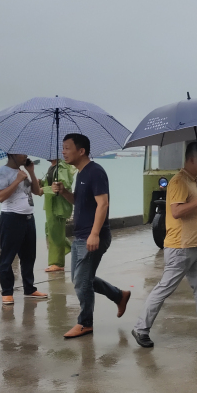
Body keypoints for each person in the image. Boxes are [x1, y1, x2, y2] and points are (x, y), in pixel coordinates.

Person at [131, 142, 197, 348]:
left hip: (196, 246)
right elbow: (176, 211)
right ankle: (141, 328)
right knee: (165, 287)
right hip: (181, 247)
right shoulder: (178, 182)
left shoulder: (193, 180)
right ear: (192, 159)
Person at [53, 133, 131, 339]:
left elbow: (102, 204)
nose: (63, 152)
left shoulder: (95, 172)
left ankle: (85, 323)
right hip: (80, 236)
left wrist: (95, 233)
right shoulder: (81, 174)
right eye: (63, 148)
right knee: (80, 279)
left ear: (81, 151)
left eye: (67, 148)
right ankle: (119, 295)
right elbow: (79, 202)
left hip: (93, 235)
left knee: (81, 281)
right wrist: (64, 192)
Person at [0, 153, 47, 305]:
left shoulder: (23, 172)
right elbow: (0, 197)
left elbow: (36, 191)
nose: (26, 155)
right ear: (12, 154)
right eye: (22, 153)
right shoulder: (1, 172)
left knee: (29, 256)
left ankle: (29, 288)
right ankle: (7, 292)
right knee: (8, 257)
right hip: (11, 218)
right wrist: (17, 180)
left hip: (28, 218)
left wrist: (31, 172)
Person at [40, 159, 74, 272]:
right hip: (50, 204)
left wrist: (44, 189)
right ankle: (73, 248)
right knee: (51, 231)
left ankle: (57, 263)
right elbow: (51, 184)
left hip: (58, 205)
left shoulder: (62, 167)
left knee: (56, 233)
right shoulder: (52, 167)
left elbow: (63, 185)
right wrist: (42, 182)